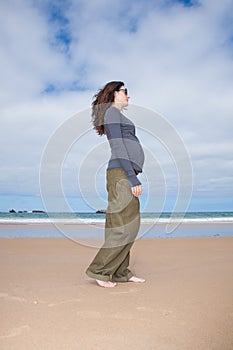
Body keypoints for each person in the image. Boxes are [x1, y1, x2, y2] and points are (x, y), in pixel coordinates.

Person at [85, 81, 145, 288]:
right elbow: (118, 146)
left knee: (126, 224)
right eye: (125, 91)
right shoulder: (112, 113)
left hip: (124, 173)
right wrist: (131, 176)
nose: (128, 96)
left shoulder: (116, 115)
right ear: (114, 94)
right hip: (122, 173)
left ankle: (120, 272)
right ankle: (100, 271)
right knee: (124, 227)